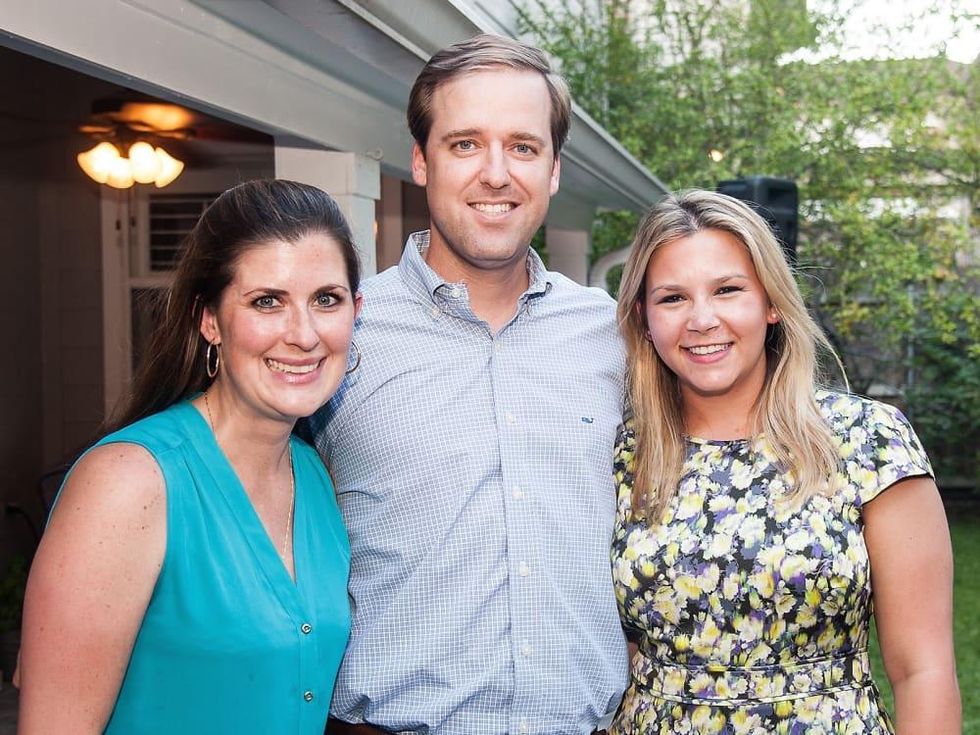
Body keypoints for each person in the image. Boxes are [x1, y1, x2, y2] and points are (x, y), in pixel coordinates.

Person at [309, 34, 628, 734]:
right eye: (465, 144)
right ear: (421, 161)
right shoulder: (339, 334)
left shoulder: (612, 336)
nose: (496, 174)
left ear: (553, 170)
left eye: (523, 146)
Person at [610, 189, 961, 734]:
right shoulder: (625, 453)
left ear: (771, 303)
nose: (702, 319)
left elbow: (924, 669)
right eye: (673, 298)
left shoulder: (867, 440)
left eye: (728, 290)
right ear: (644, 318)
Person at [18, 179, 362, 734]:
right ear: (210, 320)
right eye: (267, 301)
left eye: (326, 299)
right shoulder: (128, 483)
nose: (303, 334)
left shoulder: (315, 476)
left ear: (355, 311)